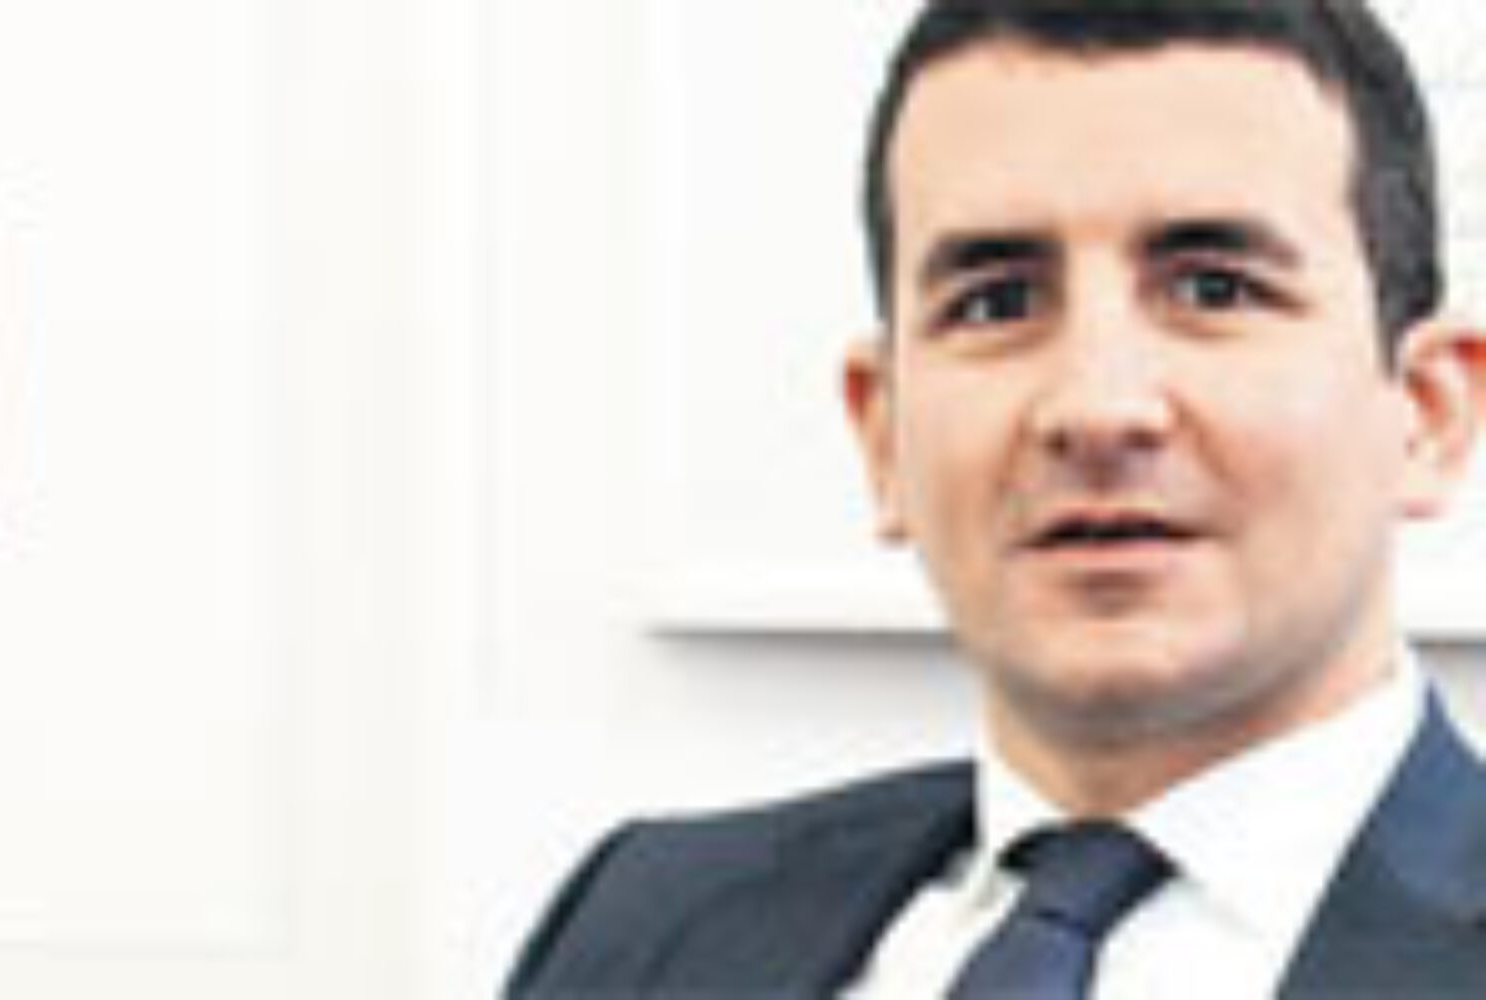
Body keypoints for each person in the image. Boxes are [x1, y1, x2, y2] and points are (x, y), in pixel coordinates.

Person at [507, 0, 1486, 995]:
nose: (1095, 407)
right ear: (881, 434)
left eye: (1213, 290)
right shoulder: (646, 921)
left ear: (1429, 412)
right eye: (997, 303)